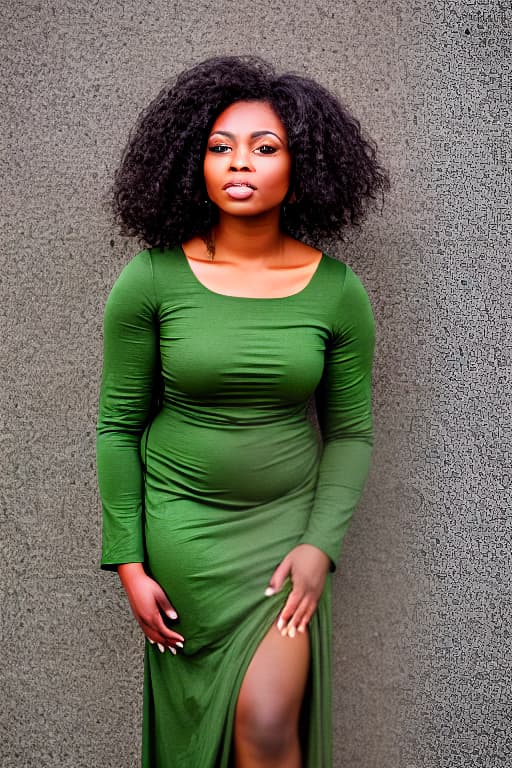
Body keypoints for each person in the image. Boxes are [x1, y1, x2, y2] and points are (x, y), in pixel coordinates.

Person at [97, 55, 389, 768]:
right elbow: (116, 427)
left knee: (264, 722)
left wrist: (321, 545)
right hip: (183, 534)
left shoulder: (338, 292)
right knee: (205, 730)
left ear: (302, 167)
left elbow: (350, 433)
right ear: (191, 162)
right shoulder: (152, 279)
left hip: (281, 537)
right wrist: (129, 561)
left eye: (265, 148)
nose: (240, 164)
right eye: (220, 147)